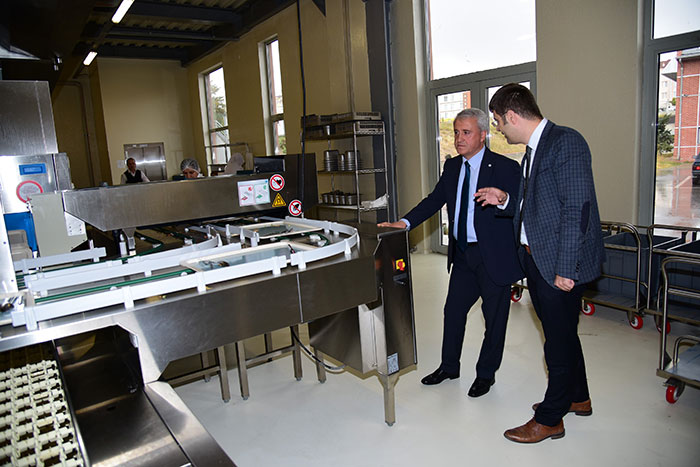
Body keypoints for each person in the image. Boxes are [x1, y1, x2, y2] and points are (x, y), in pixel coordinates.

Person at [475, 83, 605, 443]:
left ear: (512, 116)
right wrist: (505, 199)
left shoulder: (566, 142)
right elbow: (538, 205)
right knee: (563, 334)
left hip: (557, 265)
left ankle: (550, 418)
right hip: (537, 259)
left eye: (499, 121)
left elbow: (577, 209)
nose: (499, 128)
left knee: (556, 345)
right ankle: (578, 397)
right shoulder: (533, 152)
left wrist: (566, 269)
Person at [378, 108, 523, 398]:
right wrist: (404, 223)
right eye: (456, 132)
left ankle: (486, 375)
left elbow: (519, 206)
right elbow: (434, 200)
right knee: (453, 312)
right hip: (464, 255)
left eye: (466, 132)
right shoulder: (453, 167)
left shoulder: (505, 167)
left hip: (493, 256)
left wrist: (505, 199)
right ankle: (449, 367)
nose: (459, 138)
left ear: (483, 135)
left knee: (494, 320)